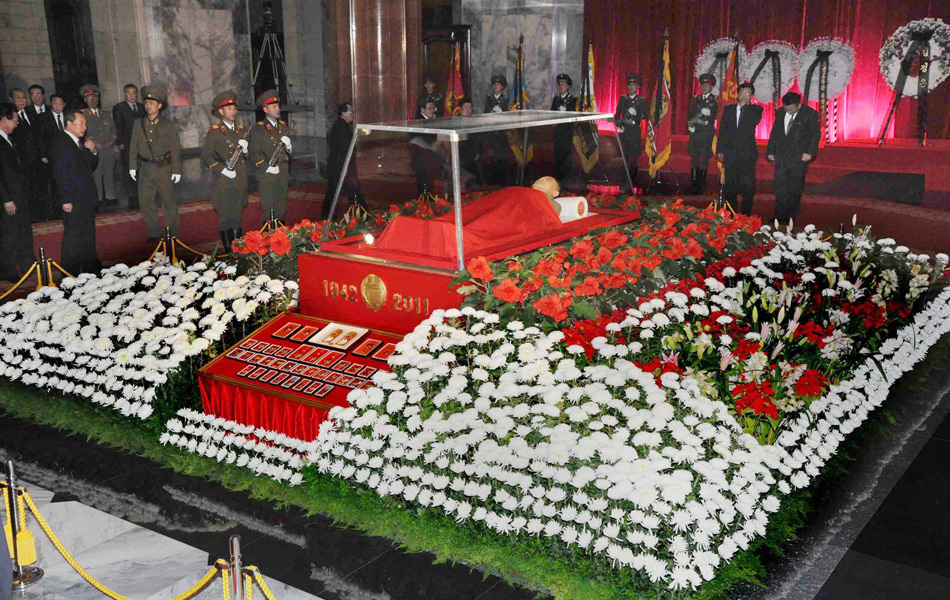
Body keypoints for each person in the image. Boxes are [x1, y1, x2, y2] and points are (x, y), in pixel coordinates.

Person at [50, 109, 101, 274]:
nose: (84, 127)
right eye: (81, 123)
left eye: (85, 123)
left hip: (85, 196)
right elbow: (61, 173)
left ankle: (90, 267)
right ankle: (69, 272)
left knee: (87, 233)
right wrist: (66, 199)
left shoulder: (78, 141)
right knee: (73, 236)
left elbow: (90, 166)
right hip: (73, 198)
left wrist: (92, 151)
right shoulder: (61, 142)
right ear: (69, 124)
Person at [128, 85, 182, 242]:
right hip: (145, 168)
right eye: (146, 103)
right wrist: (132, 166)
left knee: (168, 202)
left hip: (164, 167)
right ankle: (154, 233)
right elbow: (133, 147)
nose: (148, 105)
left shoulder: (168, 125)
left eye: (152, 103)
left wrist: (176, 170)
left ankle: (172, 233)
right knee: (145, 202)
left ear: (159, 106)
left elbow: (175, 149)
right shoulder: (138, 123)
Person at [201, 91, 249, 252]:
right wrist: (222, 169)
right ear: (221, 112)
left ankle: (238, 245)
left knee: (237, 213)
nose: (233, 111)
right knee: (225, 214)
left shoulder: (242, 130)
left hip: (239, 178)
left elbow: (248, 156)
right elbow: (206, 157)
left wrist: (246, 150)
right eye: (229, 109)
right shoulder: (214, 132)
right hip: (223, 180)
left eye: (234, 108)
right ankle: (228, 248)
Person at [767, 91, 820, 225]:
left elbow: (815, 135)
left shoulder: (810, 114)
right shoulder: (780, 112)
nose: (789, 112)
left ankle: (791, 217)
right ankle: (779, 216)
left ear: (799, 105)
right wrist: (770, 150)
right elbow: (775, 132)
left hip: (799, 156)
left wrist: (810, 152)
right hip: (781, 155)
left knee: (794, 187)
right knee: (780, 186)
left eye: (792, 109)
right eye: (787, 109)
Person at [0, 103, 37, 280]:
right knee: (10, 234)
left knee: (23, 230)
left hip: (19, 194)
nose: (17, 124)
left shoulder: (8, 138)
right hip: (9, 197)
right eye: (15, 120)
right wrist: (6, 199)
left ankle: (27, 263)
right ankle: (7, 271)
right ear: (4, 119)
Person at [716, 82, 763, 215]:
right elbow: (722, 130)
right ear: (737, 94)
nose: (744, 96)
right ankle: (731, 214)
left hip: (747, 154)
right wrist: (720, 149)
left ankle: (746, 215)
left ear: (752, 96)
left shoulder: (756, 110)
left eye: (747, 94)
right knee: (730, 186)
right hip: (730, 153)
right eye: (742, 93)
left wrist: (744, 106)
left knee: (747, 186)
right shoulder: (728, 109)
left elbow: (754, 121)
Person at [249, 90, 292, 226]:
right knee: (269, 205)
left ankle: (282, 235)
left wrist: (289, 147)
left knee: (282, 203)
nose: (277, 109)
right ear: (265, 109)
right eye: (273, 106)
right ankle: (270, 235)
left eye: (278, 106)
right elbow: (254, 153)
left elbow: (288, 152)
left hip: (283, 170)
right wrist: (266, 167)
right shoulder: (258, 128)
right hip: (268, 173)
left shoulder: (283, 126)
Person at [9, 88, 50, 222]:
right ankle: (32, 216)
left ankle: (43, 214)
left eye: (23, 97)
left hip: (38, 159)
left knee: (41, 188)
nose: (22, 100)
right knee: (28, 190)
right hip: (22, 161)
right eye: (18, 98)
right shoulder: (10, 117)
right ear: (11, 100)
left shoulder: (31, 112)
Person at [80, 84, 118, 208]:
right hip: (93, 150)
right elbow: (81, 133)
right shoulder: (82, 114)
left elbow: (113, 131)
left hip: (108, 149)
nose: (92, 100)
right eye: (89, 98)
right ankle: (98, 198)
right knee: (96, 175)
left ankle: (110, 196)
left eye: (95, 97)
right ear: (85, 100)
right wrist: (95, 144)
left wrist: (110, 142)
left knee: (109, 174)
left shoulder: (106, 113)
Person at [324, 101, 362, 221]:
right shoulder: (342, 128)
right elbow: (344, 149)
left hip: (339, 165)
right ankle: (328, 217)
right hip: (340, 166)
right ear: (343, 113)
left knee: (337, 192)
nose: (353, 114)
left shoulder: (340, 125)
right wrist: (345, 168)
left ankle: (328, 217)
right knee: (336, 192)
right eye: (350, 112)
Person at [112, 83, 146, 208]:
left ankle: (142, 192)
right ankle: (132, 195)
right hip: (127, 144)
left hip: (142, 144)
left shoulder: (142, 107)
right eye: (129, 93)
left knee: (142, 168)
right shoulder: (119, 107)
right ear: (125, 94)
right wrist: (120, 143)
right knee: (129, 169)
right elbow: (118, 126)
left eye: (134, 93)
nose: (132, 96)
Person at [614, 73, 648, 191]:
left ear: (637, 87)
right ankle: (623, 182)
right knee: (624, 158)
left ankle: (630, 183)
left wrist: (637, 113)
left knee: (633, 158)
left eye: (633, 85)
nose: (631, 87)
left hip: (634, 131)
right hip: (624, 131)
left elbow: (646, 115)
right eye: (629, 85)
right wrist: (618, 125)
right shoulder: (622, 99)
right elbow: (617, 115)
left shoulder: (641, 100)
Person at [687, 73, 718, 194]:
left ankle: (702, 183)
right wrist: (690, 126)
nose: (704, 87)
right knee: (694, 156)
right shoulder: (696, 99)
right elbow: (690, 114)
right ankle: (693, 181)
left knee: (704, 157)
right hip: (695, 131)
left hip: (706, 132)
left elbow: (718, 115)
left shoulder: (715, 100)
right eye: (703, 85)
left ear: (712, 87)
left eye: (707, 85)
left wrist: (710, 114)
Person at [483, 74, 510, 185]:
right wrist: (490, 113)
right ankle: (491, 181)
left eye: (498, 84)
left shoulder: (506, 99)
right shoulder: (489, 98)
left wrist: (502, 113)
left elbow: (509, 116)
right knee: (490, 157)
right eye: (494, 84)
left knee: (501, 157)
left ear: (502, 87)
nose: (495, 86)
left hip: (501, 133)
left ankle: (501, 181)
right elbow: (485, 113)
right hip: (491, 132)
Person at [551, 74, 577, 183]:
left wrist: (566, 112)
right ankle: (557, 181)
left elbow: (574, 116)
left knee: (566, 158)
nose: (561, 86)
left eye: (563, 84)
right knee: (557, 157)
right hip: (557, 133)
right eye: (560, 84)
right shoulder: (555, 99)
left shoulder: (573, 100)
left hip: (567, 133)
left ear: (568, 86)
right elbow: (551, 114)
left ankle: (566, 182)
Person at [410, 101, 440, 196]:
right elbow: (422, 140)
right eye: (429, 109)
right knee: (423, 184)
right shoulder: (419, 121)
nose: (432, 111)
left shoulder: (431, 120)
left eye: (433, 108)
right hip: (422, 158)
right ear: (422, 110)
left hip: (428, 159)